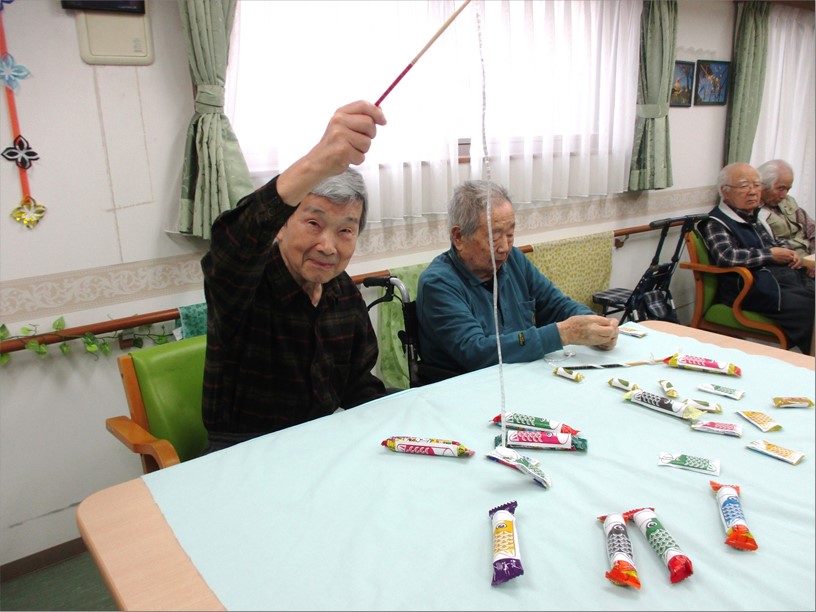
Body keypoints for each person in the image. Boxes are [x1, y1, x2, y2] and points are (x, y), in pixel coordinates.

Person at [200, 100, 388, 452]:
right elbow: (231, 243)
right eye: (314, 223)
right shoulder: (245, 285)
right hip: (243, 452)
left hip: (317, 447)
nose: (328, 246)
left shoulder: (344, 294)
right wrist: (318, 162)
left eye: (345, 230)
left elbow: (357, 386)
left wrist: (402, 417)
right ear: (281, 226)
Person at [416, 180, 619, 374]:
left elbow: (556, 304)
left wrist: (595, 326)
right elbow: (476, 351)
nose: (505, 247)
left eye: (510, 235)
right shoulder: (438, 283)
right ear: (459, 237)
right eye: (495, 237)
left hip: (522, 374)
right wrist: (564, 333)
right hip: (469, 386)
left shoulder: (513, 260)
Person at [700, 162, 814, 354]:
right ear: (725, 191)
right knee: (809, 308)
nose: (753, 192)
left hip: (779, 281)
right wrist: (770, 255)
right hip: (751, 289)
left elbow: (774, 242)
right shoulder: (715, 222)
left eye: (757, 185)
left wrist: (789, 252)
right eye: (745, 186)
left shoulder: (755, 216)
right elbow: (727, 256)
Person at [757, 159, 815, 278]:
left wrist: (813, 259)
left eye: (788, 189)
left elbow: (812, 229)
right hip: (792, 267)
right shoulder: (753, 211)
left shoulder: (788, 201)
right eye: (781, 188)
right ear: (763, 185)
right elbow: (768, 248)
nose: (784, 195)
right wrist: (804, 263)